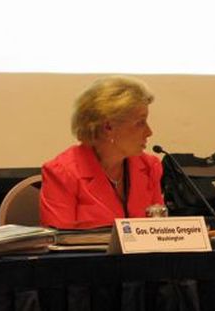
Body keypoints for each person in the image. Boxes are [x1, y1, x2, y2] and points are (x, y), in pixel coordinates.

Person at [40, 76, 164, 229]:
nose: (149, 132)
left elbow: (160, 231)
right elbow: (59, 241)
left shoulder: (149, 166)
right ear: (108, 128)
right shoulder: (63, 173)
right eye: (140, 123)